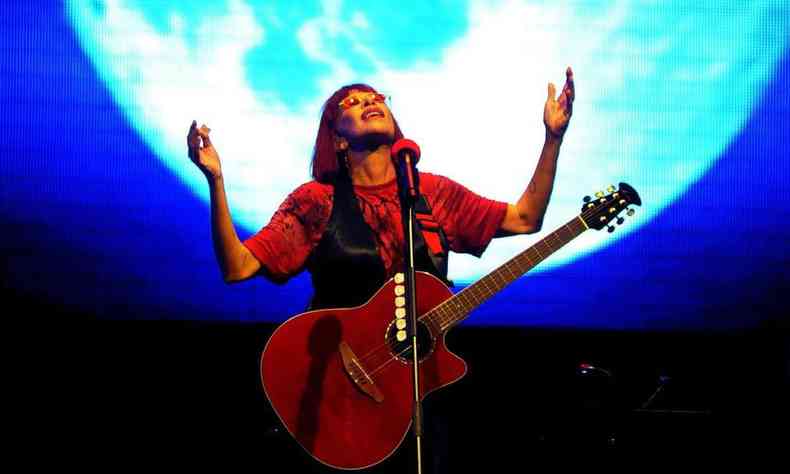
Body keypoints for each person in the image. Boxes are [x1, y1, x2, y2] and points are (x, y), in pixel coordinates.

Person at [187, 67, 575, 473]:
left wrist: (553, 138)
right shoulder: (316, 202)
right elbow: (238, 266)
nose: (369, 102)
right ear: (337, 137)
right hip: (335, 395)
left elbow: (526, 218)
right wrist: (216, 180)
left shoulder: (432, 194)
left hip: (420, 400)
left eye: (375, 97)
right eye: (351, 103)